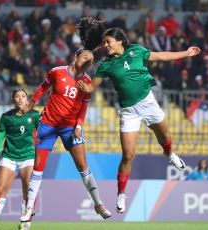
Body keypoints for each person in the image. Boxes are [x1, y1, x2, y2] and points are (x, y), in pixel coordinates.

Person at [76, 19, 201, 213]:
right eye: (105, 42)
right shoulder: (105, 65)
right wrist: (85, 87)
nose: (106, 45)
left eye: (109, 41)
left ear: (120, 41)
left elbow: (162, 56)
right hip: (128, 111)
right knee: (128, 155)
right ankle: (121, 194)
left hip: (149, 103)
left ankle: (169, 154)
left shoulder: (137, 50)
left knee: (165, 138)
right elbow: (92, 87)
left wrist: (186, 53)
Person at [20, 48, 112, 223]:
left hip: (70, 128)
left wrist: (79, 125)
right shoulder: (57, 72)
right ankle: (29, 207)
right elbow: (42, 88)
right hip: (47, 125)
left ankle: (98, 203)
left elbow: (83, 107)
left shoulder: (87, 82)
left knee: (83, 167)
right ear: (75, 56)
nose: (87, 61)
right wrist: (31, 104)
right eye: (85, 57)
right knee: (38, 168)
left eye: (91, 60)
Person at [0, 89, 39, 230]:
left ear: (27, 100)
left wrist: (44, 150)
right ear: (13, 99)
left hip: (28, 157)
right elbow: (1, 137)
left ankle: (26, 222)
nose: (20, 99)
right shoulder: (6, 117)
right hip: (9, 156)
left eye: (23, 96)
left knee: (28, 190)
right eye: (17, 96)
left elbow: (41, 134)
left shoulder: (35, 115)